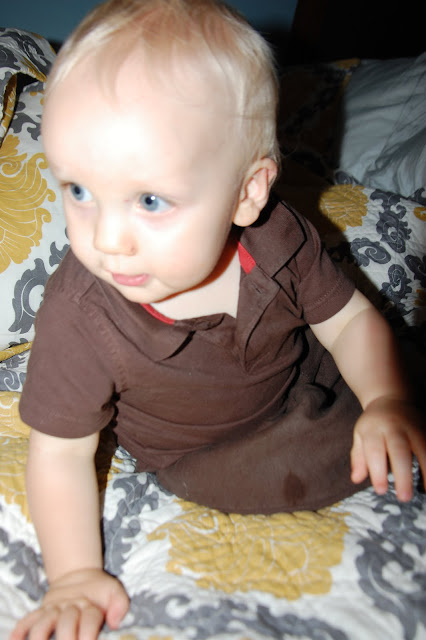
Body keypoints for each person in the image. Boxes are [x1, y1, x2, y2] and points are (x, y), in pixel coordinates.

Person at [11, 0, 426, 638]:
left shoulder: (278, 232)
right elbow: (61, 455)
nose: (107, 239)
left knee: (392, 380)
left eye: (151, 200)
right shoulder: (83, 314)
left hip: (298, 367)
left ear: (248, 193)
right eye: (79, 191)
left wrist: (386, 397)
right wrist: (72, 577)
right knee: (311, 463)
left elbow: (346, 322)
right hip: (212, 450)